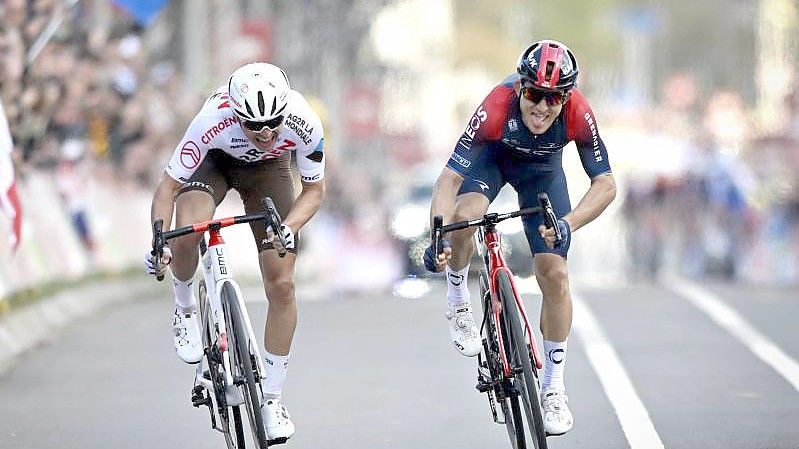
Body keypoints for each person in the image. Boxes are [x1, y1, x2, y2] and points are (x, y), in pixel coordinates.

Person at [423, 40, 616, 436]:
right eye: (534, 95)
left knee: (555, 274)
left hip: (542, 175)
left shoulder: (579, 112)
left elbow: (606, 184)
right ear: (519, 88)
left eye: (553, 98)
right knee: (463, 217)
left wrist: (569, 223)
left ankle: (553, 388)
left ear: (566, 98)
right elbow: (449, 179)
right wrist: (438, 236)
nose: (542, 107)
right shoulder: (496, 105)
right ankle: (458, 299)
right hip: (492, 162)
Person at [145, 62, 326, 442]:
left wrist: (289, 228)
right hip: (212, 164)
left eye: (273, 123)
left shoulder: (305, 122)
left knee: (283, 284)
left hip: (268, 171)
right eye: (254, 125)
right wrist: (159, 242)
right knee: (187, 232)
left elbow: (314, 191)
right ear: (235, 113)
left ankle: (272, 399)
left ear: (285, 111)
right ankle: (185, 307)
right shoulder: (211, 120)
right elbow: (167, 188)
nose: (265, 132)